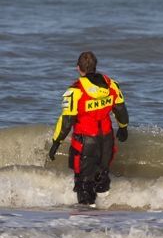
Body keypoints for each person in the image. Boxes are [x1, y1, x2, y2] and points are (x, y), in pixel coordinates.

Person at [48, 51, 129, 206]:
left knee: (84, 185)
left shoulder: (75, 91)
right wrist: (123, 127)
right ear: (95, 66)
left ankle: (87, 224)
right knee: (102, 177)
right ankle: (104, 218)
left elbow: (66, 121)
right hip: (106, 141)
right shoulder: (111, 84)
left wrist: (56, 142)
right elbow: (120, 110)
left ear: (78, 68)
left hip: (85, 143)